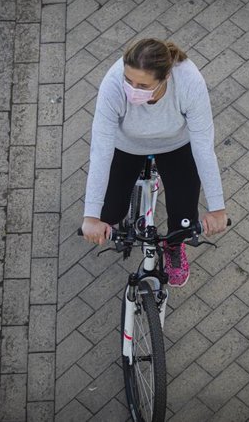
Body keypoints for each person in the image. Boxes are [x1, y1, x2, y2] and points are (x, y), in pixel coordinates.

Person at [81, 38, 227, 287]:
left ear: (166, 77)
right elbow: (101, 150)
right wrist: (92, 215)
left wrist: (217, 207)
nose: (132, 89)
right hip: (126, 146)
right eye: (129, 81)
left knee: (184, 220)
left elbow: (203, 146)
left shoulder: (189, 82)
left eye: (142, 85)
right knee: (109, 213)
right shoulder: (113, 85)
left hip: (175, 145)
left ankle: (173, 247)